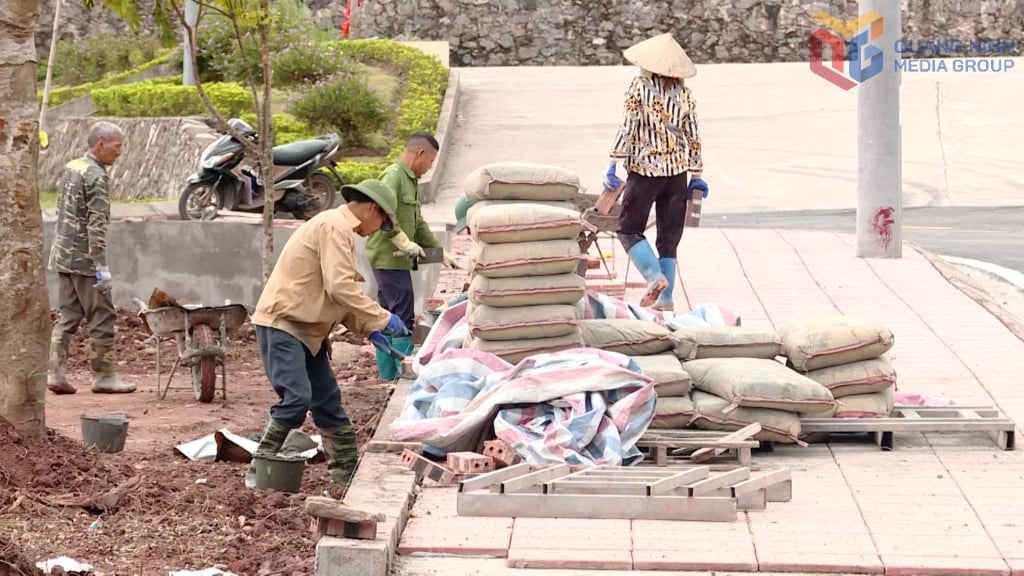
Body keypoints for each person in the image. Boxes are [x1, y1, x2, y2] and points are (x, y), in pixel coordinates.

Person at [246, 179, 410, 493]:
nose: (378, 230)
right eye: (383, 223)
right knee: (296, 399)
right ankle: (261, 472)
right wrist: (383, 316)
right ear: (373, 209)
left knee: (328, 404)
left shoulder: (337, 229)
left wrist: (370, 329)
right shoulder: (335, 227)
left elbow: (335, 294)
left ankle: (345, 479)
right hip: (284, 325)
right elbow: (340, 287)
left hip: (308, 331)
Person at [605, 33, 709, 312]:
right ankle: (666, 300)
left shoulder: (638, 88)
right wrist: (697, 173)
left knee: (628, 229)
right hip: (677, 174)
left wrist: (613, 162)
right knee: (668, 237)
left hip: (644, 171)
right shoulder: (685, 94)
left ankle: (654, 277)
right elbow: (693, 134)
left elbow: (628, 127)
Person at [46, 120, 135, 395]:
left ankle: (55, 372)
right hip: (85, 261)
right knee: (102, 314)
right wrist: (101, 267)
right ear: (100, 145)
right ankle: (104, 375)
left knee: (69, 314)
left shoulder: (73, 167)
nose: (119, 153)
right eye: (117, 146)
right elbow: (97, 225)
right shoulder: (96, 176)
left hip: (62, 255)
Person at [365, 132, 459, 378]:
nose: (429, 168)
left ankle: (388, 373)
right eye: (430, 161)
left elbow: (417, 223)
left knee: (386, 316)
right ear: (420, 153)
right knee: (402, 315)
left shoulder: (410, 181)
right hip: (388, 258)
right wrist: (400, 238)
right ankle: (403, 371)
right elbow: (382, 211)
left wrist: (440, 253)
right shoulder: (394, 176)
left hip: (398, 259)